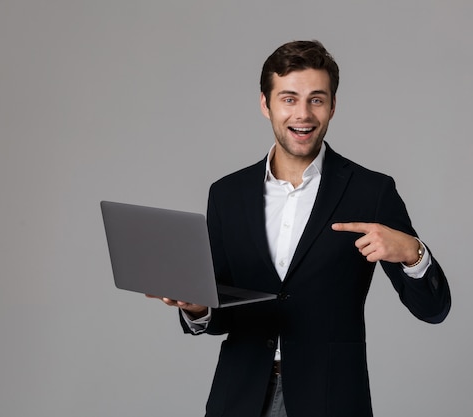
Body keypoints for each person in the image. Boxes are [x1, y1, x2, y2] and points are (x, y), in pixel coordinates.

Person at [148, 40, 451, 417]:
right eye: (289, 99)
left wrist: (413, 254)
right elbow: (222, 312)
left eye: (316, 100)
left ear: (333, 106)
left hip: (331, 399)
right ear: (266, 104)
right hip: (239, 397)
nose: (303, 114)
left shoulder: (371, 192)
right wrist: (197, 308)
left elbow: (434, 310)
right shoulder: (227, 194)